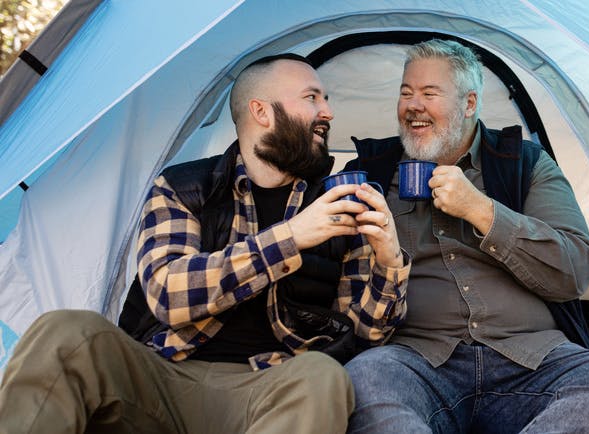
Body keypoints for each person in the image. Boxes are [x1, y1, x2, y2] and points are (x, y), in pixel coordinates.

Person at [0, 53, 410, 434]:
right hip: (164, 376)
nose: (328, 112)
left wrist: (389, 261)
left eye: (326, 99)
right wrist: (291, 238)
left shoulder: (337, 205)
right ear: (261, 111)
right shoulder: (184, 187)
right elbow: (167, 293)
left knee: (324, 375)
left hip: (272, 386)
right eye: (312, 97)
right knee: (67, 332)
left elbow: (362, 336)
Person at [343, 39, 589, 433]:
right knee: (363, 379)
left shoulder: (524, 164)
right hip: (419, 362)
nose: (413, 105)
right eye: (406, 93)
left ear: (469, 104)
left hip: (531, 362)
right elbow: (345, 291)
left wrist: (481, 210)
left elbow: (574, 270)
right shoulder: (371, 171)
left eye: (429, 93)